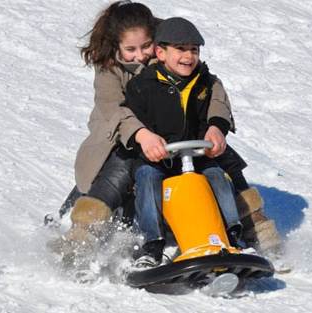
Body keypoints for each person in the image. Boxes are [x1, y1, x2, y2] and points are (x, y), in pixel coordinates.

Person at [58, 1, 281, 256]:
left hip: (176, 134)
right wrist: (142, 135)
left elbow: (209, 87)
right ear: (116, 46)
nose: (140, 55)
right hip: (122, 135)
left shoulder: (172, 49)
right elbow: (114, 111)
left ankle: (255, 226)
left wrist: (216, 126)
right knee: (121, 167)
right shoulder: (110, 69)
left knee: (221, 157)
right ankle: (82, 237)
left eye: (145, 46)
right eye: (130, 49)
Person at [124, 17, 250, 268]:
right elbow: (133, 122)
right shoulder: (142, 85)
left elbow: (217, 112)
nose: (188, 56)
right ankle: (152, 244)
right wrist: (147, 144)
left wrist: (215, 131)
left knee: (217, 175)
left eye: (194, 50)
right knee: (147, 177)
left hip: (196, 155)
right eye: (180, 49)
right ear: (160, 52)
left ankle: (233, 236)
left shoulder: (205, 82)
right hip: (158, 157)